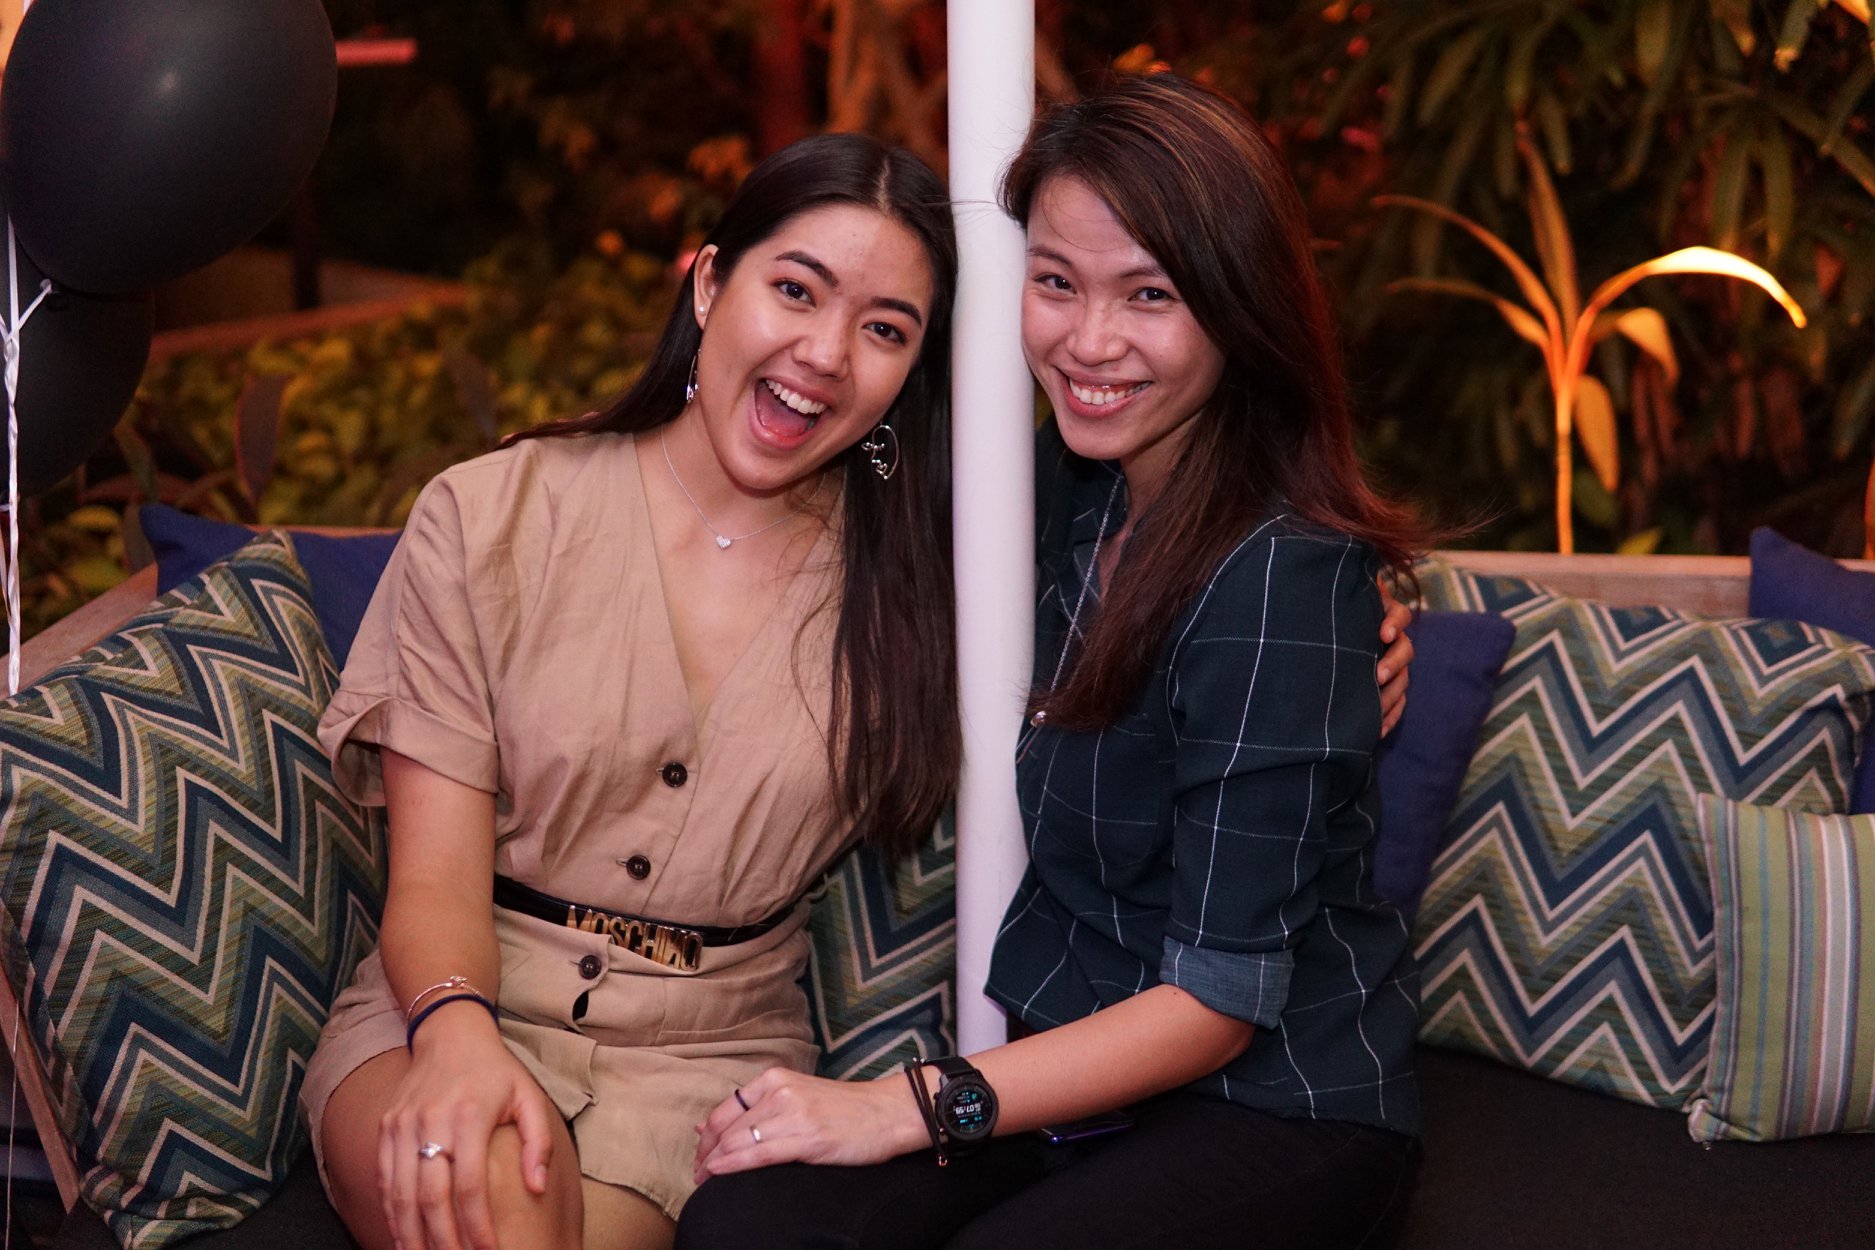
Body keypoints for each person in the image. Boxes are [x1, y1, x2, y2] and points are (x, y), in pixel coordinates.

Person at [675, 72, 1428, 1250]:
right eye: (1057, 280)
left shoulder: (1282, 573)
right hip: (1080, 1074)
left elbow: (1221, 1001)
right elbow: (865, 444)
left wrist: (901, 1103)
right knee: (749, 1223)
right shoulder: (1075, 487)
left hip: (1276, 1104)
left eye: (1150, 294)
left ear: (1240, 304)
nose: (1090, 341)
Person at [302, 132, 964, 1250]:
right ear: (708, 286)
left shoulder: (920, 587)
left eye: (885, 329)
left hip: (707, 1066)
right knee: (487, 1192)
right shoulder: (492, 515)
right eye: (795, 290)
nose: (825, 352)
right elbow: (432, 877)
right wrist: (456, 1037)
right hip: (452, 1002)